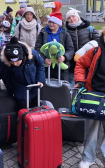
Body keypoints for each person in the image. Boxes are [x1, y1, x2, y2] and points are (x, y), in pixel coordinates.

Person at [74, 28, 105, 168]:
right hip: (94, 95)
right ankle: (88, 158)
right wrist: (79, 81)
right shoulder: (94, 50)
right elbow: (80, 63)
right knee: (92, 129)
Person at [0, 37, 45, 110]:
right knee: (22, 112)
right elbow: (5, 77)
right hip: (19, 92)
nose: (14, 64)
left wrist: (40, 79)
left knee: (36, 111)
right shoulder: (5, 63)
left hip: (35, 88)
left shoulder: (32, 54)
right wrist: (11, 91)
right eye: (12, 62)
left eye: (17, 61)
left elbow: (40, 64)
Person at [35, 12, 74, 81]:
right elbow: (38, 48)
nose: (51, 24)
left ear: (59, 24)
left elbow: (70, 49)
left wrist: (64, 57)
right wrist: (44, 59)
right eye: (50, 22)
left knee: (62, 88)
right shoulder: (43, 33)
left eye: (53, 22)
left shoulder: (65, 34)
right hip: (46, 67)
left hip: (61, 68)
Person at [66, 9, 99, 86]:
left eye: (73, 16)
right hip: (72, 65)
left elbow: (99, 43)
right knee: (73, 86)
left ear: (78, 17)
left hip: (88, 63)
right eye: (69, 18)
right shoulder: (66, 31)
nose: (71, 19)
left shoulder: (90, 29)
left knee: (88, 85)